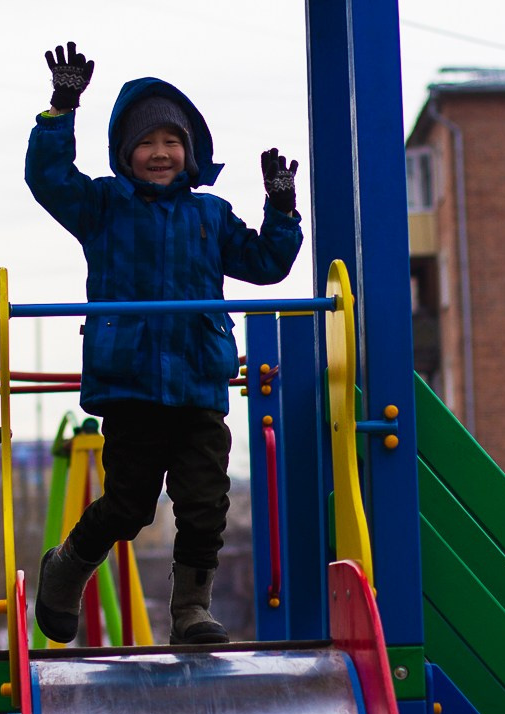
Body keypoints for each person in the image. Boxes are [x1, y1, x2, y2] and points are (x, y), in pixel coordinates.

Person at [26, 41, 303, 645]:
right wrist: (61, 108)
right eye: (146, 144)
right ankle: (67, 564)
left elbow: (265, 262)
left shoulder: (211, 215)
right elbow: (47, 178)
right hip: (133, 384)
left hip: (200, 382)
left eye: (171, 142)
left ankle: (191, 612)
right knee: (130, 507)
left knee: (206, 504)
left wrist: (280, 208)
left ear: (191, 151)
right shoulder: (103, 206)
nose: (159, 153)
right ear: (126, 155)